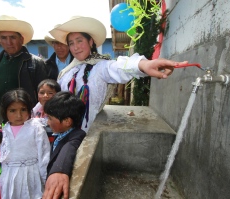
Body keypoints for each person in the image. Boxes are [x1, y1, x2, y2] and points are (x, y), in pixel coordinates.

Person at [43, 15, 188, 198]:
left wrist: (144, 64)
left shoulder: (101, 67)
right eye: (71, 43)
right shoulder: (67, 71)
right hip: (60, 131)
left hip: (83, 135)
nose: (75, 46)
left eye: (80, 40)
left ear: (91, 41)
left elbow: (120, 66)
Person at [0, 15, 48, 127]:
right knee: (3, 141)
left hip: (25, 113)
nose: (8, 42)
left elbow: (44, 92)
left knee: (25, 142)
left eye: (13, 37)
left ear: (21, 39)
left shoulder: (36, 62)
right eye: (4, 38)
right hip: (0, 111)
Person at [0, 89, 50, 199]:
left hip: (30, 176)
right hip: (7, 177)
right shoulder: (1, 130)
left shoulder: (35, 128)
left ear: (29, 109)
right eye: (12, 111)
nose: (18, 115)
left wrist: (46, 180)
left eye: (23, 110)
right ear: (4, 111)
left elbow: (44, 156)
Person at [42, 91, 86, 199]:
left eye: (50, 118)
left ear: (67, 121)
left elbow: (69, 147)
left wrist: (59, 170)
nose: (48, 122)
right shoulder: (60, 133)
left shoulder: (77, 135)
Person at [32, 79, 61, 144]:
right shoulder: (36, 110)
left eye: (50, 93)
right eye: (42, 93)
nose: (45, 96)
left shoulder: (59, 112)